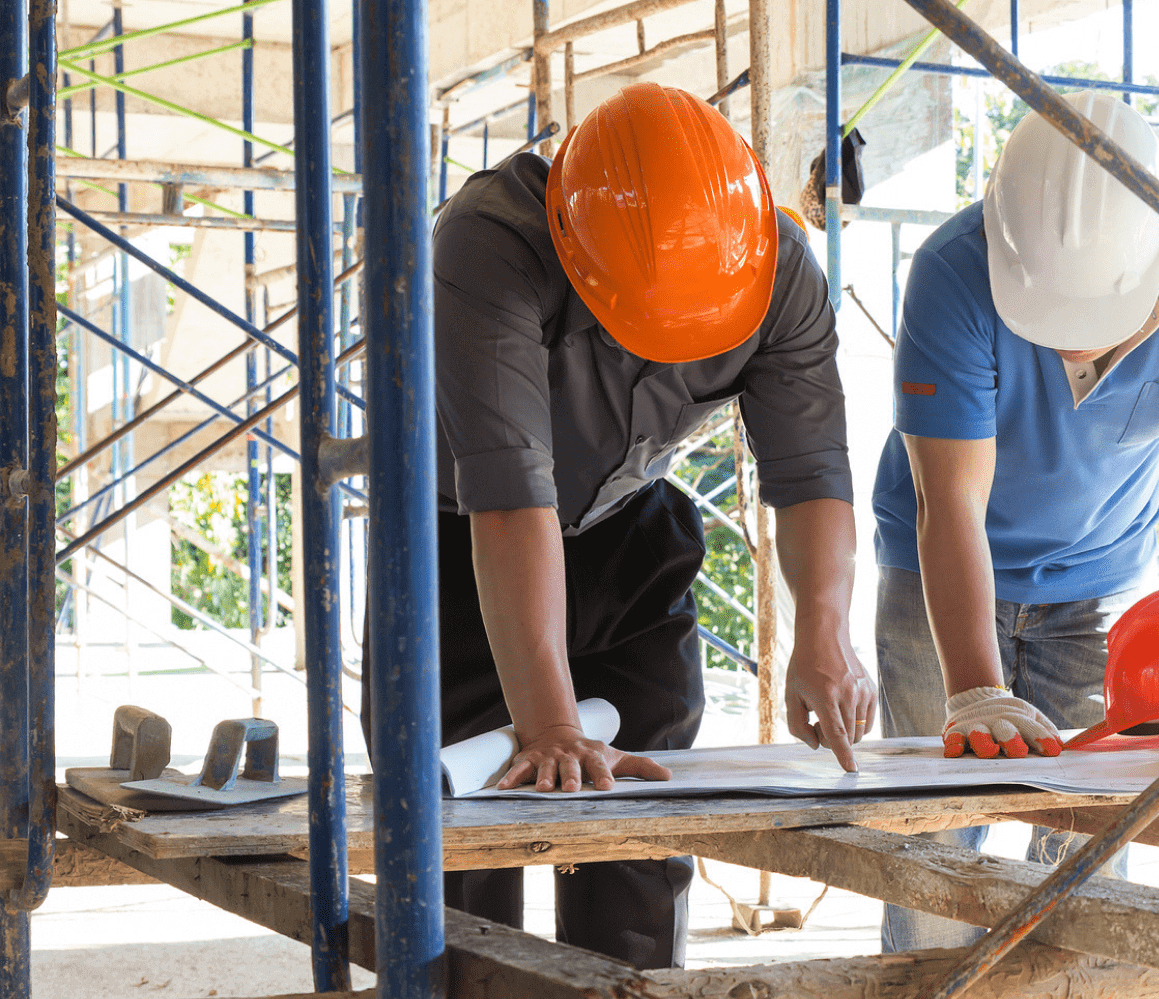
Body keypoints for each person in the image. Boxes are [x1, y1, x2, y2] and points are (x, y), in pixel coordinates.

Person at [362, 82, 876, 971]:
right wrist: (552, 721)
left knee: (638, 826)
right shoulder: (487, 240)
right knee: (458, 843)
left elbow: (810, 471)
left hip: (627, 528)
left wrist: (823, 633)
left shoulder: (774, 260)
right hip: (459, 545)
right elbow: (509, 490)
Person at [870, 91, 1159, 951]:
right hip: (936, 575)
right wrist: (975, 689)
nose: (1066, 349)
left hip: (1100, 577)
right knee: (930, 852)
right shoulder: (954, 270)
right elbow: (951, 500)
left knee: (1090, 850)